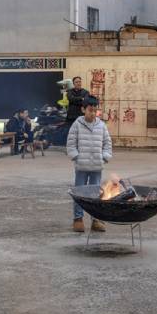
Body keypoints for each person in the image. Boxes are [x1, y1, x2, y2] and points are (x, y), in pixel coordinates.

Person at [67, 96, 113, 233]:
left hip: (96, 167)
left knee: (96, 194)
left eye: (95, 110)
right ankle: (78, 219)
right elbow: (70, 143)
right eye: (90, 110)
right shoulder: (77, 124)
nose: (92, 113)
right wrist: (76, 157)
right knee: (79, 193)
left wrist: (104, 157)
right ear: (83, 109)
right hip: (81, 167)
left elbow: (107, 143)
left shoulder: (101, 126)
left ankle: (96, 220)